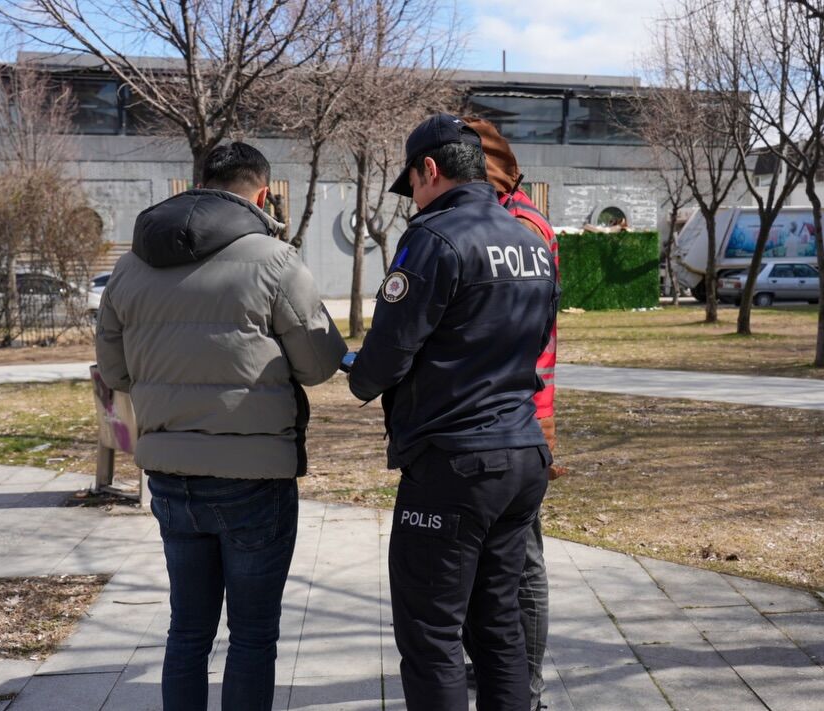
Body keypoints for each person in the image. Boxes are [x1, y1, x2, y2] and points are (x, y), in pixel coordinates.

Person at [95, 141, 347, 711]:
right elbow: (318, 364)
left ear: (197, 182)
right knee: (253, 637)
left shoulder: (131, 264)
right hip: (253, 475)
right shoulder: (276, 260)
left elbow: (115, 371)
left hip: (169, 472)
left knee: (187, 631)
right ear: (262, 193)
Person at [348, 113, 559, 711]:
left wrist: (356, 373)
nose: (413, 198)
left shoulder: (436, 237)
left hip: (455, 465)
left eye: (411, 183)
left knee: (432, 635)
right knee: (498, 631)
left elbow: (386, 355)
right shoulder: (531, 240)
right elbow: (539, 339)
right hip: (520, 455)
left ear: (430, 170)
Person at [464, 117, 561, 711]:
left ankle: (524, 688)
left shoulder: (520, 225)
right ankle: (497, 669)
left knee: (521, 561)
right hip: (502, 415)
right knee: (494, 557)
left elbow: (528, 338)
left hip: (518, 418)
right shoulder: (506, 218)